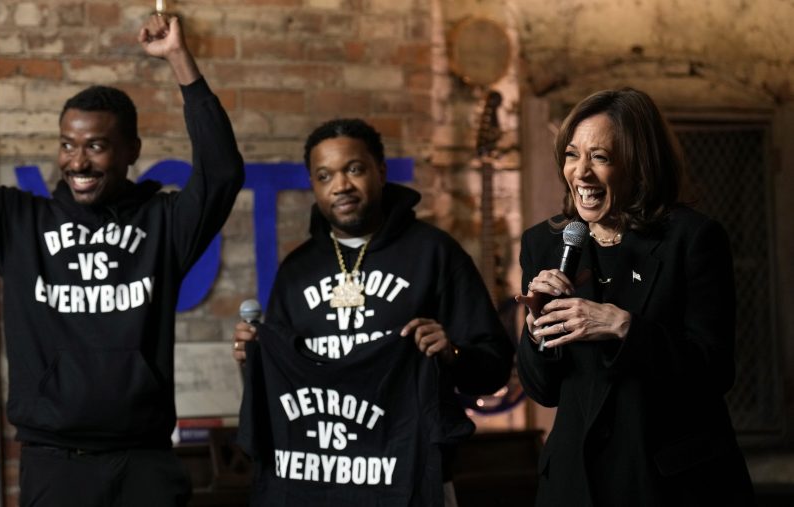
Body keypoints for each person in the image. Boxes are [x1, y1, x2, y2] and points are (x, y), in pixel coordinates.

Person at [0, 11, 244, 507]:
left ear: (130, 152)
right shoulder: (16, 223)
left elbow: (222, 173)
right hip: (54, 464)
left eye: (96, 146)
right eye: (68, 145)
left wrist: (178, 59)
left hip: (143, 462)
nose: (77, 162)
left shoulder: (163, 225)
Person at [232, 118, 515, 505]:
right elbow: (281, 392)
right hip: (320, 483)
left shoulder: (434, 254)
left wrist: (452, 354)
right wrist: (252, 362)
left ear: (380, 172)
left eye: (354, 169)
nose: (341, 185)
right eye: (325, 175)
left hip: (412, 480)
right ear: (314, 187)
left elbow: (496, 367)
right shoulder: (297, 271)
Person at [515, 88, 754, 506]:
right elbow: (543, 390)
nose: (581, 174)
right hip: (574, 485)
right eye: (573, 155)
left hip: (666, 482)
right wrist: (537, 332)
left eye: (601, 158)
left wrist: (623, 327)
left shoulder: (692, 239)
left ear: (640, 166)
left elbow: (715, 371)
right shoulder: (545, 244)